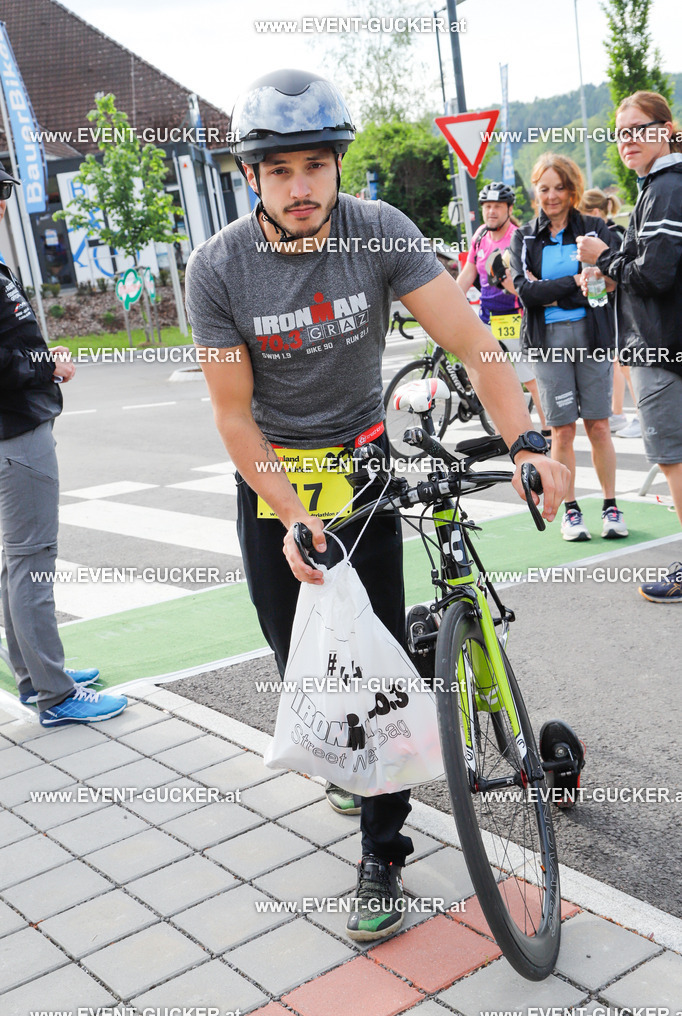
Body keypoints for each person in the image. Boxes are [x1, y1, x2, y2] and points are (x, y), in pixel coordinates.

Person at [186, 69, 569, 942]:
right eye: (279, 172)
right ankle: (343, 762)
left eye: (316, 166)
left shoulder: (378, 233)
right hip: (279, 483)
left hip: (362, 472)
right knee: (306, 665)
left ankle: (382, 850)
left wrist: (526, 445)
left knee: (375, 672)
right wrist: (289, 515)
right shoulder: (219, 270)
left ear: (336, 166)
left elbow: (473, 341)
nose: (301, 187)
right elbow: (233, 415)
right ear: (251, 178)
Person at [0, 166, 127, 726]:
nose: (4, 204)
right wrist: (45, 363)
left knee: (18, 561)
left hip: (15, 426)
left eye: (5, 193)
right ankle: (54, 695)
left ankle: (35, 676)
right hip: (13, 432)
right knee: (32, 561)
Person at [576, 91, 682, 602]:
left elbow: (657, 275)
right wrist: (615, 272)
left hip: (660, 347)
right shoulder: (662, 185)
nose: (628, 140)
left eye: (638, 128)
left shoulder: (664, 187)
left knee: (675, 459)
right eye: (620, 133)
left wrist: (606, 258)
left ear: (665, 128)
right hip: (665, 340)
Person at [509, 153, 627, 543]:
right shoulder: (524, 236)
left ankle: (611, 506)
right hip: (547, 345)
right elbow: (525, 293)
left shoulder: (595, 228)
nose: (553, 196)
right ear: (536, 192)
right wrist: (572, 283)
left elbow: (608, 283)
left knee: (598, 426)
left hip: (592, 337)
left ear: (573, 189)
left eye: (560, 187)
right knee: (561, 432)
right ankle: (571, 511)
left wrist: (557, 292)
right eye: (545, 188)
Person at [457, 182, 549, 434]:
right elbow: (467, 274)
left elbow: (531, 282)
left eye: (497, 206)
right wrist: (451, 300)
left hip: (516, 317)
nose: (491, 212)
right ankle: (506, 430)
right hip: (487, 318)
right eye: (487, 206)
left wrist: (508, 282)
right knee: (490, 377)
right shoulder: (479, 237)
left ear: (509, 209)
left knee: (529, 378)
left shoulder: (519, 238)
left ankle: (549, 430)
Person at [579, 188, 640, 439]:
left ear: (594, 213)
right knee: (618, 361)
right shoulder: (614, 232)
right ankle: (618, 413)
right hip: (612, 306)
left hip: (620, 307)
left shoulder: (611, 236)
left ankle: (641, 414)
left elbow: (614, 272)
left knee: (626, 363)